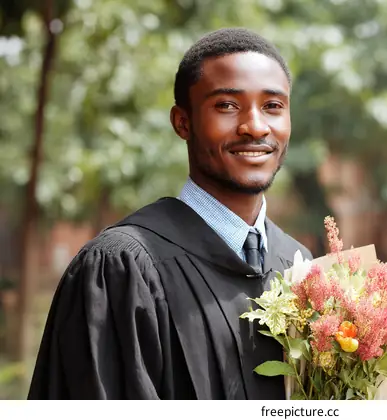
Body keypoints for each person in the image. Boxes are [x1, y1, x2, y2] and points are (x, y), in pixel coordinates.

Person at [27, 27, 313, 400]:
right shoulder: (121, 268)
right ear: (182, 122)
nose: (255, 126)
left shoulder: (301, 268)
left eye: (273, 106)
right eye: (226, 105)